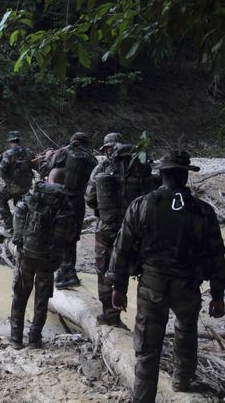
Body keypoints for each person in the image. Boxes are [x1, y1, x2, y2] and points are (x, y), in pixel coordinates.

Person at [105, 150, 225, 402]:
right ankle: (182, 379)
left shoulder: (141, 205)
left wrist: (118, 287)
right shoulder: (203, 211)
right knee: (186, 330)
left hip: (152, 283)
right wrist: (218, 294)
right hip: (187, 284)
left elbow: (122, 248)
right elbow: (216, 254)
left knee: (147, 346)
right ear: (185, 176)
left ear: (161, 174)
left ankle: (144, 397)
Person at [9, 169, 76, 349]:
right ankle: (35, 339)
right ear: (63, 181)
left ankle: (16, 338)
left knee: (20, 295)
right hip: (49, 259)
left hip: (27, 254)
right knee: (42, 299)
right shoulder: (66, 202)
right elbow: (68, 235)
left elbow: (19, 212)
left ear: (48, 179)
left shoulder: (35, 194)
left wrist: (18, 241)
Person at [86, 133, 135, 327]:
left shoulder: (102, 168)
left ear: (107, 149)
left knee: (104, 269)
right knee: (126, 268)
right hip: (134, 227)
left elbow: (90, 197)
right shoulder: (137, 168)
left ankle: (110, 315)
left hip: (108, 227)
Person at [39, 132, 97, 288]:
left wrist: (48, 157)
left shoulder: (63, 152)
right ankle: (68, 273)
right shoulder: (92, 159)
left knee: (56, 234)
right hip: (78, 201)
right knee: (72, 237)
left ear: (73, 141)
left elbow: (43, 170)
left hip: (60, 200)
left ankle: (53, 273)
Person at [0, 131, 35, 230]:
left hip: (14, 187)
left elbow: (1, 170)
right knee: (18, 201)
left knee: (0, 197)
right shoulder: (29, 152)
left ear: (10, 141)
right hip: (26, 187)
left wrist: (8, 180)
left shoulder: (7, 154)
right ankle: (20, 224)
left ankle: (9, 223)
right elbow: (36, 165)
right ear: (19, 140)